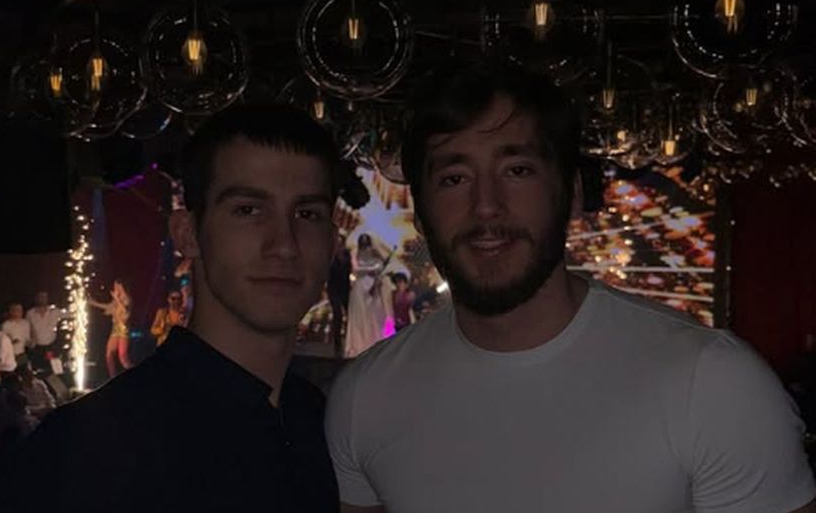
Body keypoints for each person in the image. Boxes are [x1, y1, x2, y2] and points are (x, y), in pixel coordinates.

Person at [325, 60, 816, 513]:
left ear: (573, 193)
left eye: (517, 171)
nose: (486, 206)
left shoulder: (715, 385)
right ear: (421, 210)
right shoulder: (365, 398)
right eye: (454, 178)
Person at [0, 103, 342, 512]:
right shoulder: (87, 449)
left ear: (333, 243)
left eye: (307, 214)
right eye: (248, 210)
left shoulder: (329, 426)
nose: (284, 245)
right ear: (187, 234)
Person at [343, 233, 392, 358]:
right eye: (363, 243)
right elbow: (355, 269)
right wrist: (371, 269)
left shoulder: (375, 251)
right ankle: (359, 344)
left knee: (375, 316)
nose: (365, 246)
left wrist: (375, 270)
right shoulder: (355, 252)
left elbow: (381, 265)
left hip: (373, 286)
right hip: (360, 288)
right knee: (360, 316)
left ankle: (374, 342)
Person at [89, 279, 133, 378]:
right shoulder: (115, 300)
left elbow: (125, 313)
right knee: (109, 354)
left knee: (123, 357)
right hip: (115, 329)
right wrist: (94, 303)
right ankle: (112, 377)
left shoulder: (126, 299)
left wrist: (117, 300)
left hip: (123, 329)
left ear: (122, 287)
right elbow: (108, 307)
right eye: (114, 286)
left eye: (117, 287)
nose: (115, 289)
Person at [327, 232, 352, 357]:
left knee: (350, 314)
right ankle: (337, 344)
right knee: (337, 315)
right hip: (333, 288)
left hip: (345, 288)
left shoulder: (347, 254)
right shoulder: (329, 254)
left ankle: (349, 340)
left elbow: (349, 269)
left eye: (340, 240)